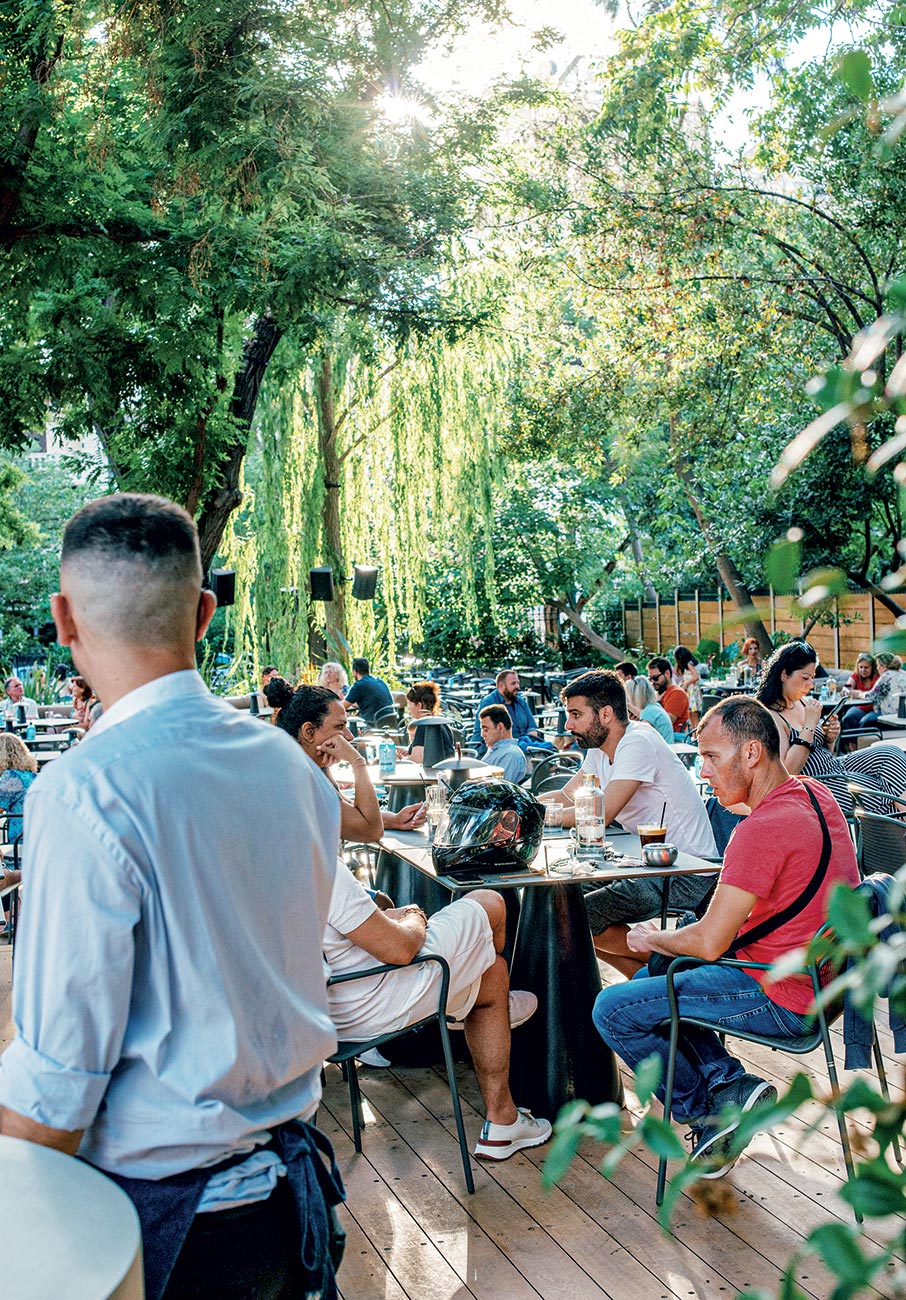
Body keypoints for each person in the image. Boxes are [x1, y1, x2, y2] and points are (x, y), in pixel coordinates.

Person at [0, 494, 345, 1300]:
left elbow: (57, 1089)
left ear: (63, 618)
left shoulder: (85, 792)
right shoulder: (294, 769)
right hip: (284, 1203)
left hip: (161, 1232)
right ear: (203, 611)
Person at [592, 696, 860, 1177]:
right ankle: (727, 1083)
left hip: (784, 995)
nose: (704, 772)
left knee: (613, 1008)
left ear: (752, 753)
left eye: (712, 757)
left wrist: (653, 938)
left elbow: (711, 942)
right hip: (827, 984)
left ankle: (708, 1112)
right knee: (662, 974)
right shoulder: (817, 796)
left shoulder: (759, 830)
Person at [323, 869, 551, 1160]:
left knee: (493, 972)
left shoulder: (256, 871)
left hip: (323, 1018)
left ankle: (504, 1120)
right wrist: (413, 915)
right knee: (490, 901)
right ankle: (464, 1007)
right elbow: (401, 948)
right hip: (377, 1002)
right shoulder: (315, 858)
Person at [556, 670, 717, 974]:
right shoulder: (599, 749)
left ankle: (666, 964)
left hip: (685, 872)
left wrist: (539, 817)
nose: (568, 724)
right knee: (563, 903)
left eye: (576, 714)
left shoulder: (637, 741)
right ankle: (645, 976)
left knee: (572, 918)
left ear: (606, 714)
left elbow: (600, 816)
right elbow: (567, 796)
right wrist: (523, 804)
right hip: (646, 866)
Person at [755, 640, 906, 817]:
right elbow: (787, 772)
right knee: (883, 791)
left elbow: (822, 752)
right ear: (783, 675)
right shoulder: (772, 716)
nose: (810, 684)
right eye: (805, 678)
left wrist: (829, 738)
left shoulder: (801, 702)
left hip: (834, 767)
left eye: (812, 677)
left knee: (892, 754)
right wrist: (810, 725)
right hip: (819, 784)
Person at [272, 681, 425, 835]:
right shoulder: (298, 779)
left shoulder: (309, 766)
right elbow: (371, 830)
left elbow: (348, 810)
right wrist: (357, 762)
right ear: (309, 731)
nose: (350, 737)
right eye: (339, 727)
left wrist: (394, 820)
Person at [470, 670, 551, 754]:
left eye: (518, 683)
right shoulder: (489, 703)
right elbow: (489, 735)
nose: (517, 686)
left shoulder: (521, 702)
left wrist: (529, 742)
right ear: (501, 686)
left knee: (549, 750)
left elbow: (532, 727)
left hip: (522, 748)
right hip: (492, 750)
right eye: (513, 683)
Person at [841, 651, 906, 732]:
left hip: (890, 714)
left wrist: (858, 694)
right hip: (902, 714)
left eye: (878, 665)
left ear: (884, 666)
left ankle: (863, 743)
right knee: (851, 717)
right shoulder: (903, 673)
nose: (877, 667)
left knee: (865, 723)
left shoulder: (886, 677)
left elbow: (872, 696)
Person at [401, 681, 454, 765]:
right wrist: (408, 751)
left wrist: (400, 759)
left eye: (409, 704)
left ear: (419, 705)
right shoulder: (443, 724)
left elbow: (417, 760)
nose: (408, 709)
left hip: (430, 775)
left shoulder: (424, 725)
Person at [478, 705, 528, 782]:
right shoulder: (497, 750)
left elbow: (499, 790)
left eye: (486, 730)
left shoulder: (510, 755)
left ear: (500, 727)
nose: (482, 734)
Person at [624, 675, 674, 744]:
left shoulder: (648, 712)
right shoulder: (654, 707)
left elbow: (643, 739)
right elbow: (641, 713)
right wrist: (628, 705)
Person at [344, 657, 394, 725]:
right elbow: (372, 701)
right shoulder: (379, 681)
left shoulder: (359, 685)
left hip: (373, 725)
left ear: (354, 672)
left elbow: (342, 706)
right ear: (368, 670)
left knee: (349, 722)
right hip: (390, 723)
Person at [647, 657, 690, 735]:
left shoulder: (677, 694)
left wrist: (656, 702)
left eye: (655, 678)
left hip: (673, 740)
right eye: (650, 678)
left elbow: (664, 723)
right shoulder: (660, 692)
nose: (653, 682)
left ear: (667, 673)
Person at [674, 646, 703, 725]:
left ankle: (696, 734)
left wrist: (686, 683)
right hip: (689, 692)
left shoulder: (689, 664)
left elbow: (696, 676)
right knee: (690, 715)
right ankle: (693, 735)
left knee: (694, 715)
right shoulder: (687, 665)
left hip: (692, 692)